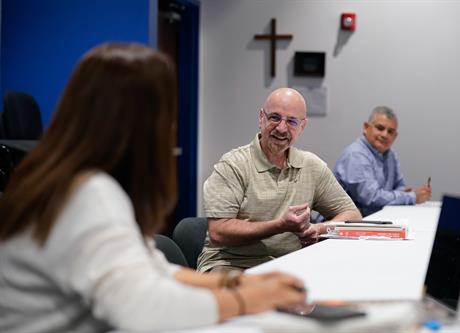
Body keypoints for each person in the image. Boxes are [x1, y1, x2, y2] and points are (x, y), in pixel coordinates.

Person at [0, 43, 306, 333]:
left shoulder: (69, 179)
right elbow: (145, 308)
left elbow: (150, 268)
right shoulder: (88, 196)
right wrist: (247, 301)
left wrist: (237, 285)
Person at [197, 88, 362, 273]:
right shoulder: (233, 164)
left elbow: (352, 215)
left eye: (291, 121)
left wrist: (319, 228)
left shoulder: (312, 166)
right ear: (261, 118)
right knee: (256, 298)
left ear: (302, 126)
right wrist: (280, 225)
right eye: (275, 117)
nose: (282, 128)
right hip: (231, 263)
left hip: (288, 266)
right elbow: (219, 232)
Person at [333, 106, 432, 217]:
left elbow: (400, 187)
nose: (385, 135)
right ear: (366, 127)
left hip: (371, 221)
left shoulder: (390, 155)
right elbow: (372, 199)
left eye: (390, 131)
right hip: (338, 227)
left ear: (395, 136)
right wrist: (412, 197)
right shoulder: (356, 155)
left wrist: (398, 195)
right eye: (380, 128)